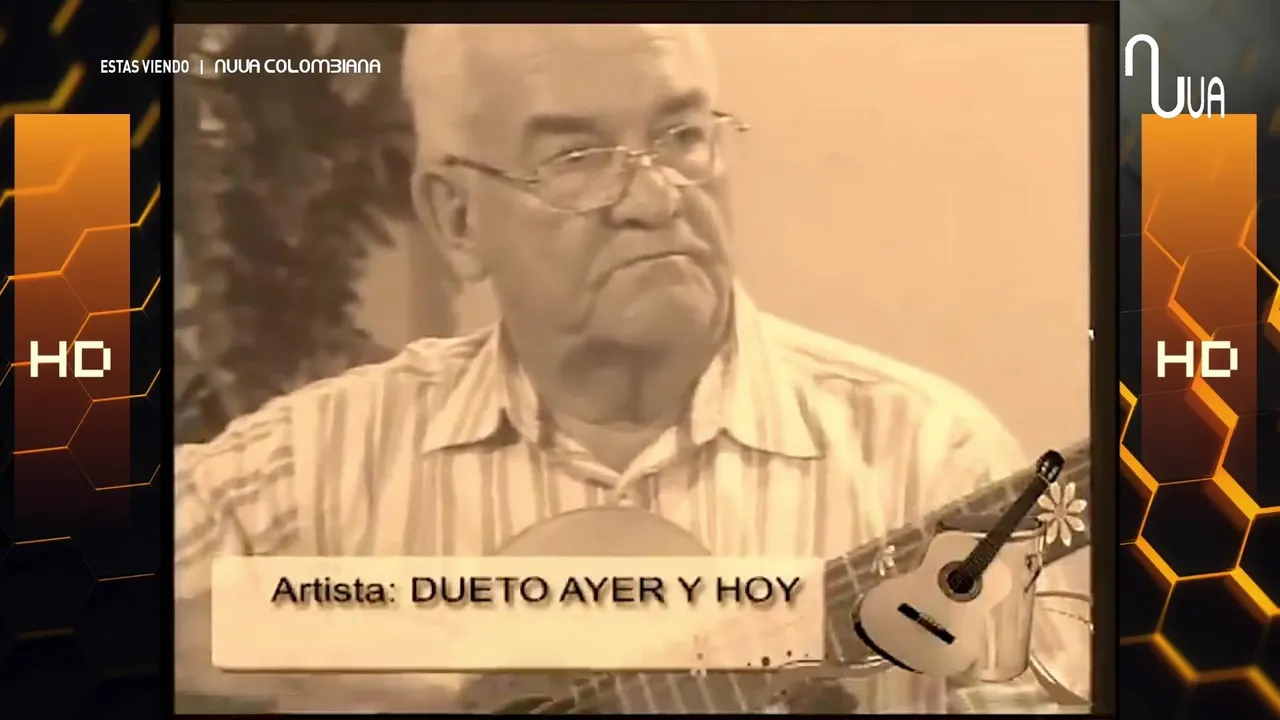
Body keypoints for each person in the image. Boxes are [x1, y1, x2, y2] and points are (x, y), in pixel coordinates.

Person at [175, 23, 1087, 713]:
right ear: (456, 219)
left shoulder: (926, 463)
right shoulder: (311, 465)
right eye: (576, 158)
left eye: (682, 135)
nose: (654, 198)